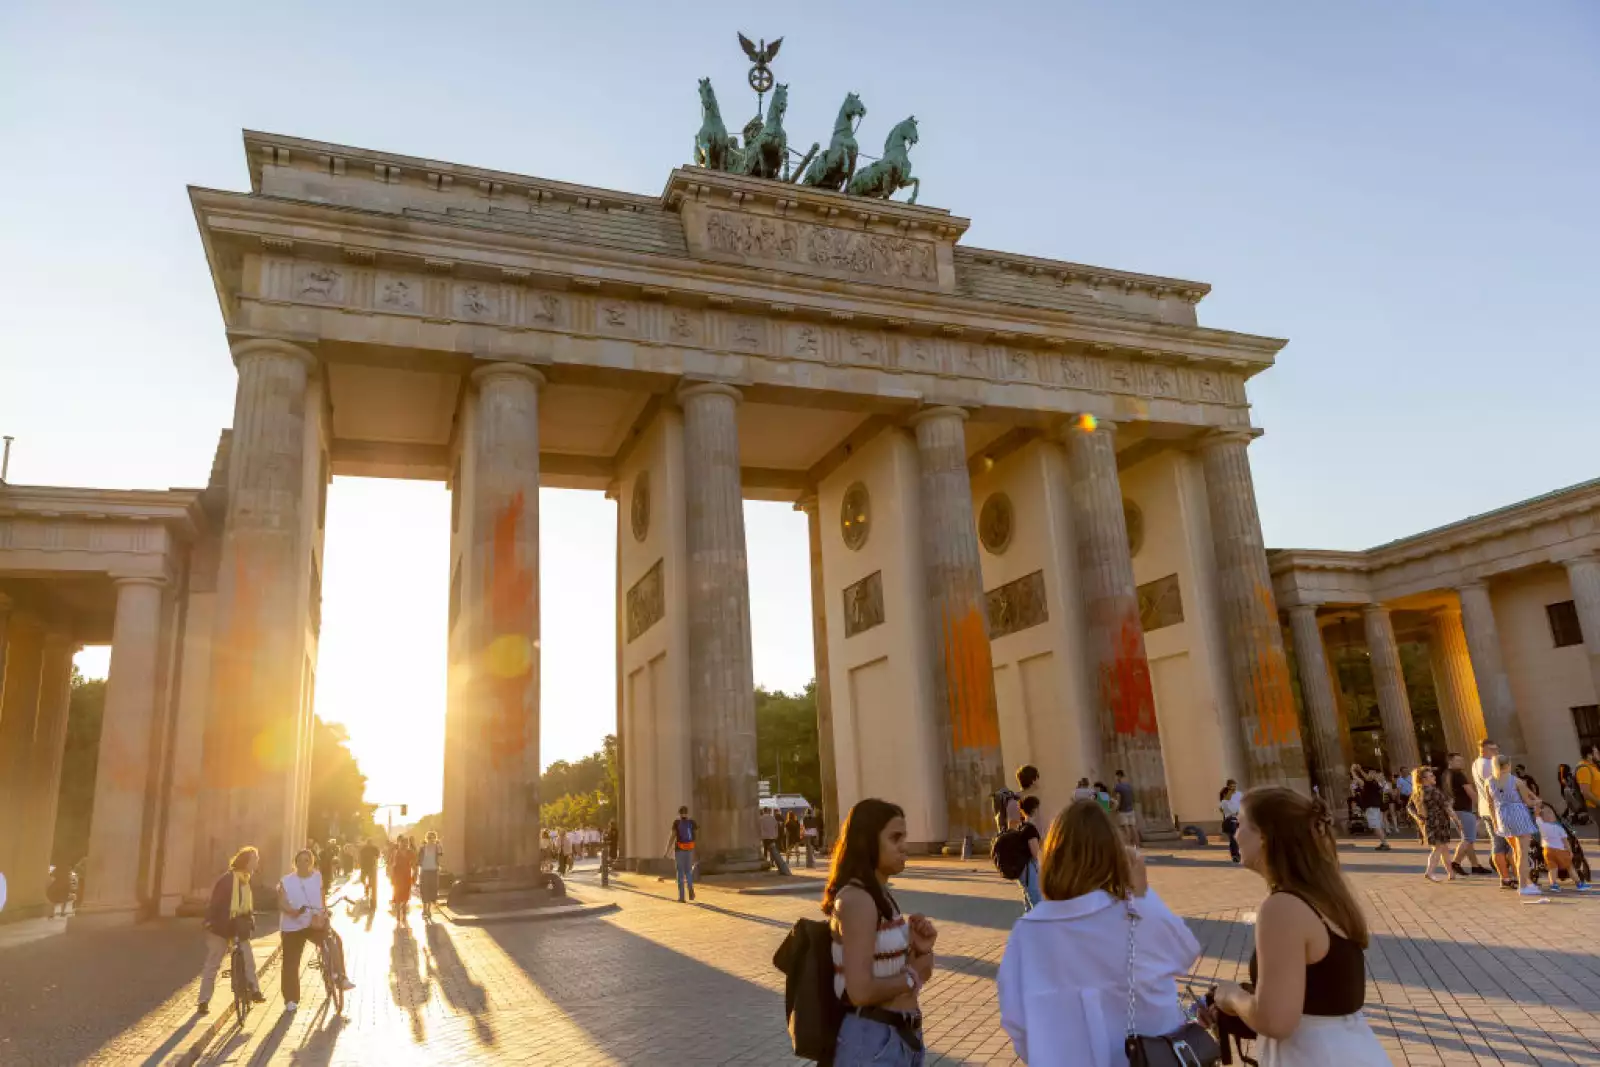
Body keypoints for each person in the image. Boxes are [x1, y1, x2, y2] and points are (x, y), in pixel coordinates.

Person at [998, 800, 1200, 1067]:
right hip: (1152, 1058)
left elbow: (1015, 1020)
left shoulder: (1028, 933)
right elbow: (1185, 954)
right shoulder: (1135, 912)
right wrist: (1142, 894)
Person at [1204, 787, 1389, 1064]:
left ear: (1265, 836)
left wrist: (1230, 996)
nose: (1235, 834)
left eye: (1240, 824)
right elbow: (1316, 999)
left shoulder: (1283, 908)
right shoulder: (1324, 897)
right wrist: (1245, 1005)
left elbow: (1276, 1021)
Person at [824, 798, 937, 1066]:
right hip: (873, 1043)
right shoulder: (857, 900)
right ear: (867, 842)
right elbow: (860, 991)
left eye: (904, 837)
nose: (904, 846)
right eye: (895, 838)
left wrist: (920, 950)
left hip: (898, 1038)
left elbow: (912, 972)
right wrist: (912, 976)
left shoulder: (881, 896)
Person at [278, 848, 355, 1012]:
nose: (303, 863)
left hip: (315, 922)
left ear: (312, 862)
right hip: (293, 926)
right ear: (295, 863)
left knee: (335, 940)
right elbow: (282, 902)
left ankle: (339, 976)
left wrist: (324, 911)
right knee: (291, 962)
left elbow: (321, 896)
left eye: (307, 860)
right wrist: (292, 911)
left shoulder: (317, 877)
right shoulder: (286, 881)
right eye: (300, 860)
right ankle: (291, 999)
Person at [196, 847, 266, 1016]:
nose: (257, 862)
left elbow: (247, 907)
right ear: (246, 861)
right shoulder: (227, 880)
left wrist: (250, 921)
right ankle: (203, 1001)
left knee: (248, 957)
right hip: (220, 926)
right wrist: (210, 922)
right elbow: (215, 903)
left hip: (238, 927)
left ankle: (254, 990)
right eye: (255, 859)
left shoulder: (246, 880)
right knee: (213, 963)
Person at [1487, 755, 1542, 898]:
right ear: (1508, 765)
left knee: (1515, 851)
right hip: (1518, 815)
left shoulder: (1489, 781)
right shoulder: (1516, 781)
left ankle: (1526, 882)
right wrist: (1537, 802)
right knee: (1522, 853)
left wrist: (1495, 822)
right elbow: (1528, 802)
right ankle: (1523, 885)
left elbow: (1490, 805)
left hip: (1502, 817)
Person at [1471, 739, 1515, 887]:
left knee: (1499, 844)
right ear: (1483, 750)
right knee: (1505, 844)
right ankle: (1511, 877)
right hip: (1497, 809)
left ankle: (1506, 878)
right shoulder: (1488, 764)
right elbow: (1498, 788)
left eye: (1497, 749)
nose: (1496, 752)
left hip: (1487, 809)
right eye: (1493, 749)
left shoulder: (1476, 763)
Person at [1443, 753, 1490, 876]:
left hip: (1453, 810)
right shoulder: (1459, 774)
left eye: (1462, 760)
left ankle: (1475, 866)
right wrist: (1480, 807)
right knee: (1468, 838)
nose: (1461, 763)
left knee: (1467, 840)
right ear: (1450, 762)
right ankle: (1456, 862)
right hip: (1464, 810)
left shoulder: (1445, 774)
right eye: (1458, 761)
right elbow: (1471, 792)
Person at [1407, 767, 1456, 882]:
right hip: (1438, 823)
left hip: (1428, 823)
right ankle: (1429, 872)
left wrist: (1418, 817)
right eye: (1431, 776)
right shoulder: (1433, 791)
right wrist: (1457, 821)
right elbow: (1446, 807)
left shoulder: (1417, 792)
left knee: (1443, 848)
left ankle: (1451, 873)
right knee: (1438, 848)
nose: (1434, 777)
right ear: (1424, 779)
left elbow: (1409, 807)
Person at [1534, 801, 1589, 891]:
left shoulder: (1541, 825)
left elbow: (1536, 816)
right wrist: (1570, 851)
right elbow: (1565, 841)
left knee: (1552, 869)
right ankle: (1579, 884)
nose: (1551, 815)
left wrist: (1536, 808)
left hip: (1547, 851)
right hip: (1560, 851)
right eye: (1550, 813)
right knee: (1570, 867)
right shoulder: (1559, 828)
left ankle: (1553, 885)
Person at [1014, 795, 1044, 910]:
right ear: (1035, 810)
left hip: (1023, 868)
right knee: (1037, 902)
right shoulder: (1030, 829)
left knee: (1028, 901)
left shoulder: (1021, 826)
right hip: (1029, 868)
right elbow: (1035, 853)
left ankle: (1029, 920)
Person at [667, 806, 698, 902]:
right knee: (688, 871)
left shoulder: (676, 823)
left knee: (680, 872)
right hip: (689, 849)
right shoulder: (692, 823)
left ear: (679, 814)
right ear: (687, 813)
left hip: (679, 850)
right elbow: (695, 837)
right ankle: (690, 888)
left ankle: (682, 897)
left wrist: (667, 850)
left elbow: (672, 837)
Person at [1357, 769, 1389, 850]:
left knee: (1376, 826)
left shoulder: (1371, 782)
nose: (1370, 774)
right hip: (1375, 807)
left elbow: (1367, 778)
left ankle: (1385, 844)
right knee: (1377, 826)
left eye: (1372, 773)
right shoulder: (1375, 783)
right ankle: (1383, 842)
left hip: (1372, 807)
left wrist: (1358, 770)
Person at [417, 831, 443, 920]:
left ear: (435, 838)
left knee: (432, 890)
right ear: (426, 838)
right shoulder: (423, 848)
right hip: (425, 870)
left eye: (432, 837)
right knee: (424, 890)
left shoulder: (437, 847)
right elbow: (419, 860)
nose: (431, 839)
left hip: (433, 870)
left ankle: (428, 910)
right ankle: (424, 909)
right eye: (429, 837)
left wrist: (439, 845)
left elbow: (440, 855)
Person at [1111, 769, 1139, 846]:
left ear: (1118, 776)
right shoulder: (1128, 786)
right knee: (1133, 827)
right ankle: (1137, 844)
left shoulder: (1117, 787)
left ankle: (1128, 844)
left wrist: (1115, 808)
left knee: (1125, 828)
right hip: (1130, 809)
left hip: (1122, 810)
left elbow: (1117, 798)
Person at [1577, 744, 1600, 839]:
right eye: (1596, 752)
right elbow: (1586, 793)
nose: (1598, 754)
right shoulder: (1584, 769)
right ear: (1589, 755)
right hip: (1596, 806)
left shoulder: (1593, 767)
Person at [1219, 779, 1243, 863]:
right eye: (1232, 786)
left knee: (1238, 837)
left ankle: (1238, 854)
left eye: (1234, 786)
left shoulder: (1239, 794)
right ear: (1228, 787)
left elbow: (1242, 803)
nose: (1233, 788)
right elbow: (1222, 809)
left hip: (1239, 818)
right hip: (1230, 820)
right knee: (1233, 838)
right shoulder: (1225, 797)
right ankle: (1235, 855)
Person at [390, 835, 415, 915]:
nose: (404, 844)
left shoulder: (410, 852)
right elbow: (391, 865)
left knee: (406, 893)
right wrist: (391, 877)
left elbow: (414, 864)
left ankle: (403, 909)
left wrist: (415, 874)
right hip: (397, 876)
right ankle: (398, 911)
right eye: (403, 843)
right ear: (399, 843)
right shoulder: (395, 852)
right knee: (397, 893)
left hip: (407, 875)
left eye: (406, 843)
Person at [758, 807, 788, 873]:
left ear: (764, 811)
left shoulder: (761, 818)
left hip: (765, 836)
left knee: (765, 849)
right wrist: (776, 835)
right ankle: (772, 862)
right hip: (772, 836)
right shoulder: (773, 818)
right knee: (772, 849)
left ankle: (765, 861)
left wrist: (761, 835)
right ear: (768, 811)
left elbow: (760, 828)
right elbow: (776, 827)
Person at [358, 837, 381, 902]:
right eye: (368, 843)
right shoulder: (363, 849)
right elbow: (359, 856)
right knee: (362, 879)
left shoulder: (374, 848)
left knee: (370, 881)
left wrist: (375, 858)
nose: (369, 844)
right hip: (364, 866)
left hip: (371, 867)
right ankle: (366, 886)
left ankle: (368, 888)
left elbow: (378, 855)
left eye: (370, 843)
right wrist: (359, 863)